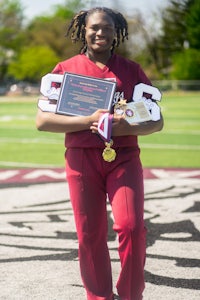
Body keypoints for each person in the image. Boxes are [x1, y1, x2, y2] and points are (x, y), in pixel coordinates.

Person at [36, 7, 163, 300]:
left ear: (115, 32)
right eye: (94, 28)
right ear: (84, 30)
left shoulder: (132, 70)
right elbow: (43, 121)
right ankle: (99, 296)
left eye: (107, 28)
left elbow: (156, 121)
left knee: (131, 228)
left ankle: (131, 294)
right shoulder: (66, 68)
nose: (100, 33)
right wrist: (89, 120)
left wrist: (125, 126)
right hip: (81, 159)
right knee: (89, 234)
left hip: (124, 157)